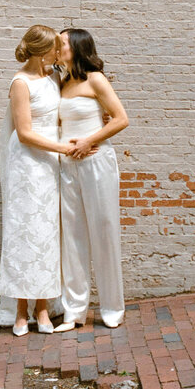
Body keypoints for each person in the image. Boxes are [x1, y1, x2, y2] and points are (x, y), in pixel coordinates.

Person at [0, 25, 76, 336]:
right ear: (41, 51)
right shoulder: (20, 83)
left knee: (46, 235)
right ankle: (21, 310)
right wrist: (62, 147)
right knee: (22, 234)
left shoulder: (53, 76)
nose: (58, 52)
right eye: (54, 48)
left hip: (49, 164)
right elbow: (24, 133)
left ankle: (43, 307)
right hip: (27, 165)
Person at [55, 28, 129, 331]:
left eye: (61, 44)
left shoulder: (95, 79)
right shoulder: (62, 83)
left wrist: (88, 140)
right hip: (67, 166)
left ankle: (112, 309)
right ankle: (75, 311)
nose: (56, 48)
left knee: (104, 231)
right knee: (72, 237)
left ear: (77, 48)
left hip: (97, 162)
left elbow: (121, 118)